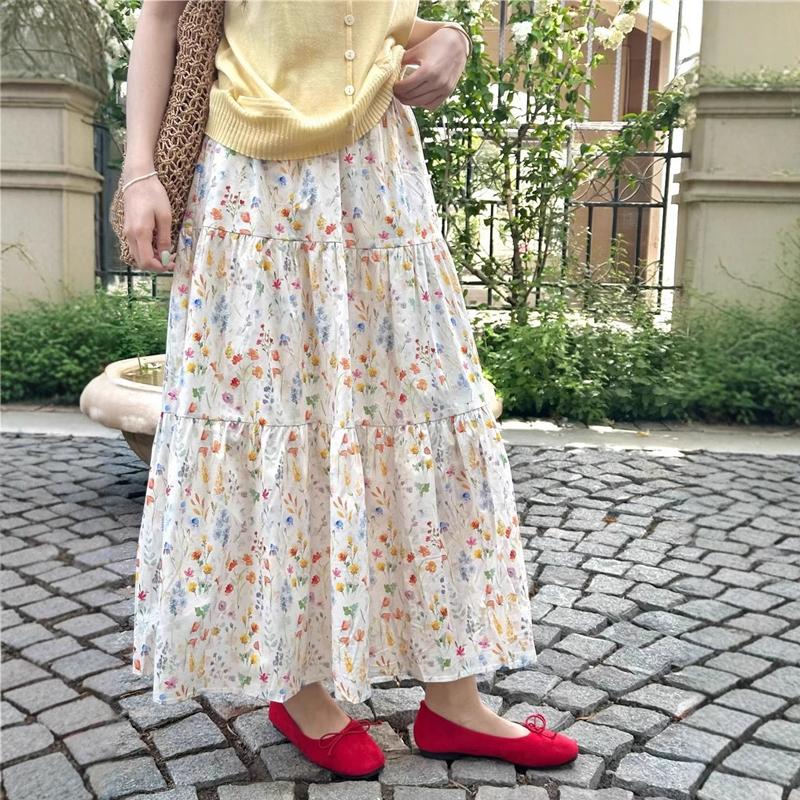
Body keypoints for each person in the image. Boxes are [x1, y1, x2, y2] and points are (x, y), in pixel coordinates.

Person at [123, 0, 578, 779]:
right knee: (272, 418)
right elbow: (161, 16)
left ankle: (455, 700)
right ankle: (297, 688)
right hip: (254, 184)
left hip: (379, 173)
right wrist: (139, 171)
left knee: (422, 407)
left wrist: (451, 40)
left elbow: (383, 21)